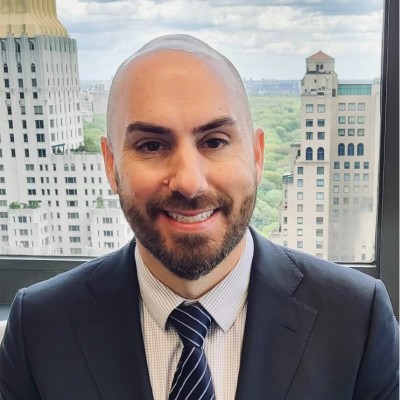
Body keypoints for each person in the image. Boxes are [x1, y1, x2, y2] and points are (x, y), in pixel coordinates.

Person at [0, 34, 398, 400]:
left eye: (215, 141)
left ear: (257, 155)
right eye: (151, 145)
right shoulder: (38, 328)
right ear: (110, 165)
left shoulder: (356, 320)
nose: (189, 183)